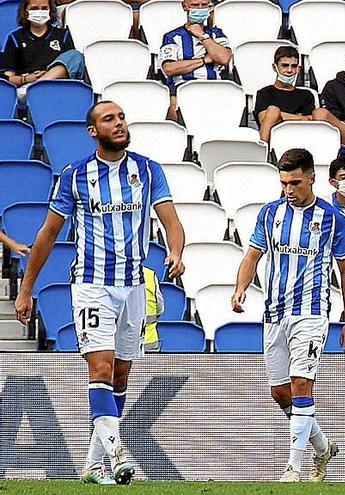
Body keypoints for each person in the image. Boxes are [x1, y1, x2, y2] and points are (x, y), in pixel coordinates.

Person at [14, 101, 186, 486]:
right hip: (92, 285)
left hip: (134, 286)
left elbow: (172, 222)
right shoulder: (75, 176)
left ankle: (93, 465)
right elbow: (47, 235)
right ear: (93, 131)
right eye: (109, 119)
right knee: (101, 368)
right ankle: (117, 451)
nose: (119, 123)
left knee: (121, 375)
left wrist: (176, 251)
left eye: (122, 116)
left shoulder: (147, 170)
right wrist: (26, 290)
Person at [231, 148, 345, 483]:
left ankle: (293, 468)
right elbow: (252, 256)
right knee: (280, 391)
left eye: (295, 182)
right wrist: (240, 288)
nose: (289, 189)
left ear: (311, 177)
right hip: (274, 312)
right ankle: (323, 447)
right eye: (285, 183)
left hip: (312, 313)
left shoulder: (332, 219)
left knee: (302, 383)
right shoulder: (270, 213)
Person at [254, 46, 345, 143]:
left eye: (294, 66)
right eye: (285, 65)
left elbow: (309, 122)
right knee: (273, 111)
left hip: (303, 138)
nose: (289, 70)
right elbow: (264, 119)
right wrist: (299, 117)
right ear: (275, 67)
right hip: (276, 140)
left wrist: (281, 116)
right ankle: (263, 151)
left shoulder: (306, 95)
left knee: (320, 113)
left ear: (298, 69)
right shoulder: (264, 93)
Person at [159, 0, 232, 117]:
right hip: (182, 87)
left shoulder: (216, 34)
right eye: (195, 5)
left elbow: (224, 58)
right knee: (174, 103)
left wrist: (202, 35)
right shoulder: (172, 36)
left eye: (204, 5)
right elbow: (169, 69)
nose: (199, 8)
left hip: (214, 87)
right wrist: (204, 60)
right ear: (184, 7)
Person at [0, 0, 84, 97]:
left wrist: (42, 78)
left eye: (44, 8)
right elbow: (7, 77)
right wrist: (27, 78)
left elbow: (72, 66)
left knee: (76, 56)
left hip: (56, 85)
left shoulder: (63, 35)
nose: (39, 12)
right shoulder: (15, 38)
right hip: (24, 89)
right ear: (25, 11)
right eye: (34, 8)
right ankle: (34, 88)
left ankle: (37, 85)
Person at [142, 267, 164, 352]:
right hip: (150, 342)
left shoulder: (114, 276)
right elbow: (160, 307)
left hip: (122, 344)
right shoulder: (150, 274)